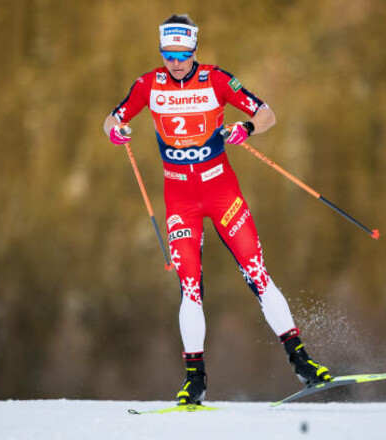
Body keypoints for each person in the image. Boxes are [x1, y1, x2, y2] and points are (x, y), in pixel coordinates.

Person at [103, 14, 331, 406]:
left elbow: (266, 114)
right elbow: (113, 118)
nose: (174, 62)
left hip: (222, 191)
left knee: (257, 273)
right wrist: (114, 130)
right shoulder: (147, 85)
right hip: (179, 198)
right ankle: (195, 380)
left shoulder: (217, 79)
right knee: (190, 286)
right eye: (168, 54)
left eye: (182, 53)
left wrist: (246, 129)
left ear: (193, 49)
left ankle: (303, 363)